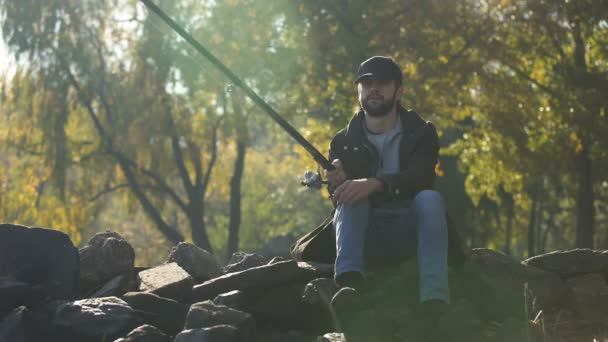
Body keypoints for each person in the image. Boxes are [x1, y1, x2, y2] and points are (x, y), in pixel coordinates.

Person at [325, 56, 450, 313]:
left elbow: (421, 177)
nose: (374, 89)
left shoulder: (422, 132)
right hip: (364, 234)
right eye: (367, 83)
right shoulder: (342, 141)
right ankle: (349, 285)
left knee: (431, 199)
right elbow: (336, 200)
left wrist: (375, 184)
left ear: (399, 91)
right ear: (359, 90)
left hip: (411, 232)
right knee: (349, 195)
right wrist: (336, 183)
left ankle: (435, 299)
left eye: (382, 83)